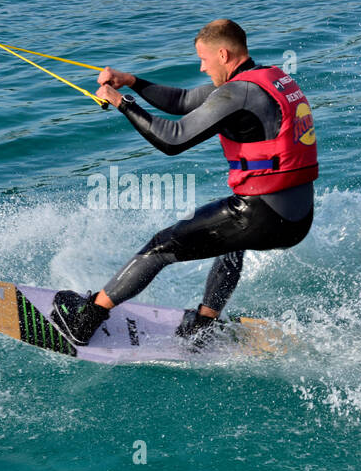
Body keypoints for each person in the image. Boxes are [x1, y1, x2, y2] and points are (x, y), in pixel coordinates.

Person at [49, 19, 318, 347]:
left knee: (159, 248)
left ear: (222, 54)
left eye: (204, 59)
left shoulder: (237, 92)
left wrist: (123, 103)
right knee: (232, 242)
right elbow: (183, 100)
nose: (202, 68)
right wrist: (131, 81)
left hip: (261, 214)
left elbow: (173, 140)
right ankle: (205, 321)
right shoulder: (268, 79)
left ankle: (85, 319)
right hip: (296, 217)